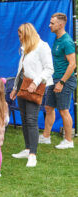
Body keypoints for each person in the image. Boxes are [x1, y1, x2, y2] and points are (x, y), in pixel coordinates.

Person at [10, 23, 54, 167]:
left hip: (35, 87)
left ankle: (33, 155)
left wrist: (35, 82)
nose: (19, 38)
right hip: (23, 86)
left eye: (20, 35)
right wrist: (15, 87)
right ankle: (27, 149)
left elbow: (49, 69)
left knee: (31, 120)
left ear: (27, 33)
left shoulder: (42, 46)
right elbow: (21, 70)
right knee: (24, 119)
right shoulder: (25, 48)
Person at [39, 13, 77, 149]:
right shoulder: (57, 38)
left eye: (52, 23)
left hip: (64, 81)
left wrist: (61, 83)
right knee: (48, 107)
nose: (50, 25)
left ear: (60, 25)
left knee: (64, 111)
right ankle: (46, 137)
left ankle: (68, 141)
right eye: (50, 22)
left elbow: (72, 64)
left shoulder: (67, 41)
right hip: (53, 79)